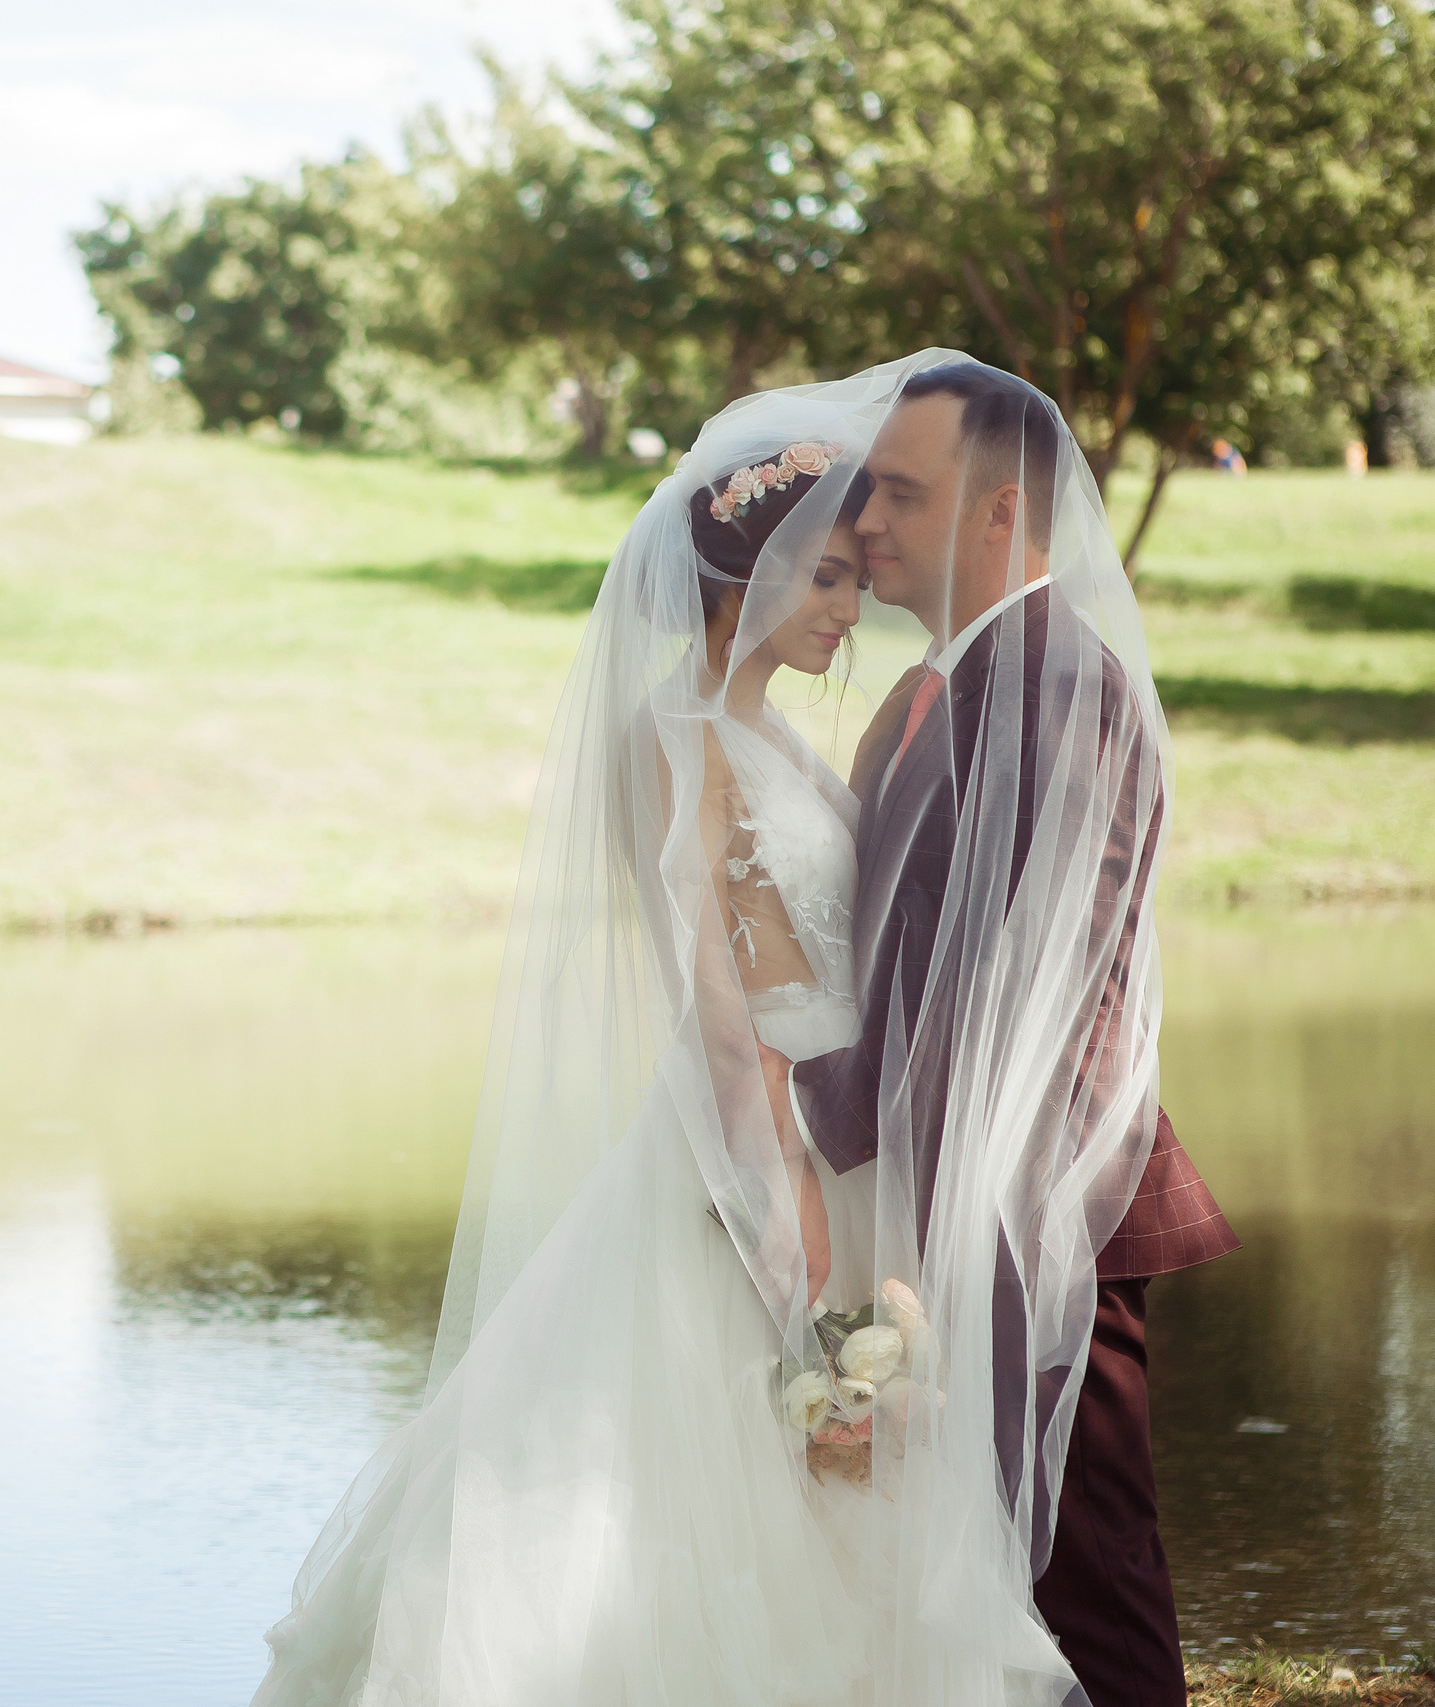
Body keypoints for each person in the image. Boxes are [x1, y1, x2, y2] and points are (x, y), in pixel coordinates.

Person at [250, 354, 1229, 1707]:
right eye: (823, 568)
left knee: (1038, 1543)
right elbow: (734, 1022)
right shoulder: (696, 743)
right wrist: (799, 1235)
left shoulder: (945, 708)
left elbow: (1010, 975)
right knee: (783, 1522)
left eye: (870, 538)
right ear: (741, 582)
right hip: (782, 1167)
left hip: (956, 1169)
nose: (858, 580)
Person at [784, 361, 1238, 1707]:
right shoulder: (955, 683)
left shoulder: (1052, 687)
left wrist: (844, 1131)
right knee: (1005, 1568)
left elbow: (1010, 981)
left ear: (1005, 512)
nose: (866, 526)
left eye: (903, 496)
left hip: (1039, 1203)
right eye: (870, 493)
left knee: (1081, 1573)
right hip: (969, 1196)